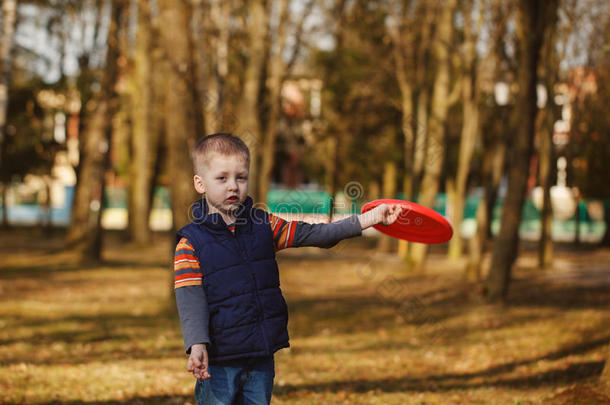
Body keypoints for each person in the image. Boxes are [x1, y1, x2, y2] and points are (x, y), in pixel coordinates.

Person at [173, 133, 403, 405]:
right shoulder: (191, 243)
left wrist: (369, 219)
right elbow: (190, 300)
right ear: (200, 183)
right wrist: (197, 344)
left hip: (261, 356)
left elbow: (318, 234)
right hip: (219, 362)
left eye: (241, 177)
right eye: (222, 178)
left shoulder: (264, 226)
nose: (233, 186)